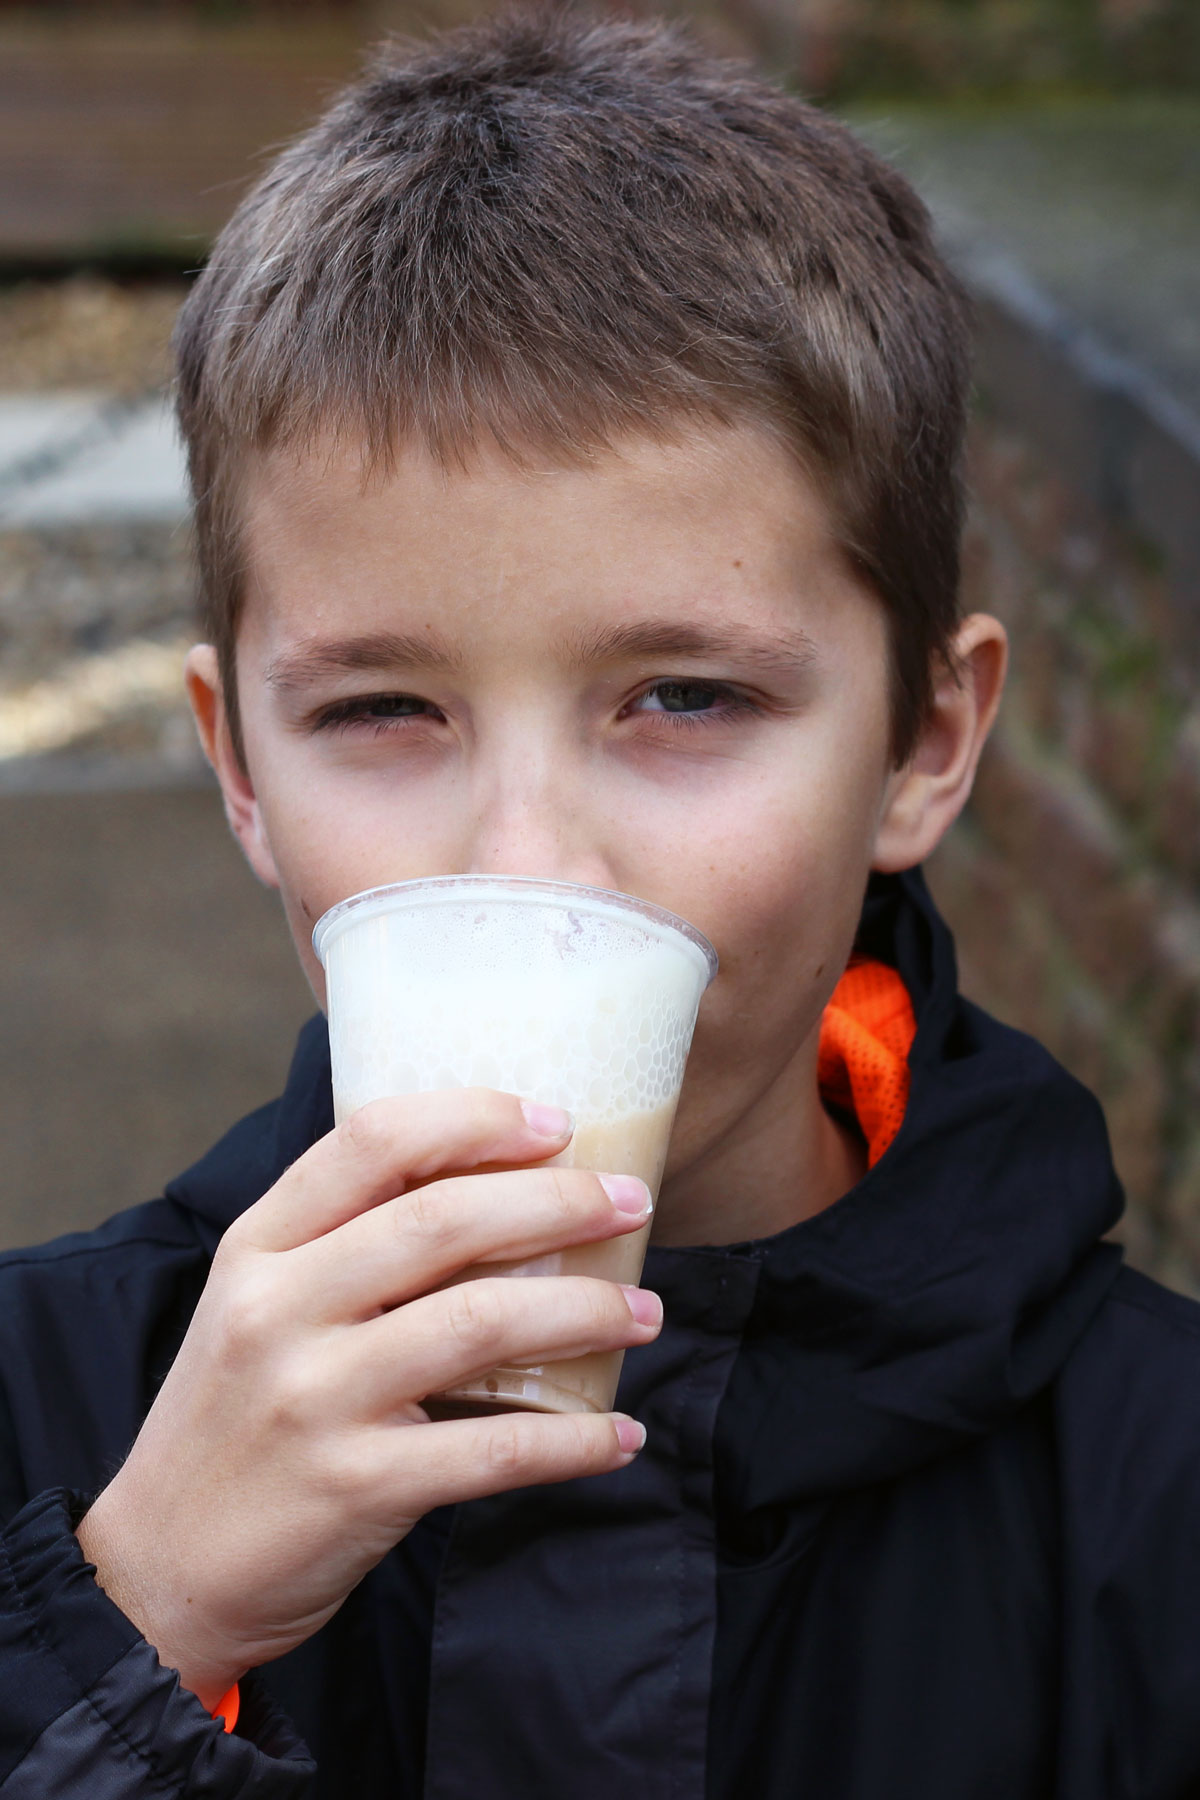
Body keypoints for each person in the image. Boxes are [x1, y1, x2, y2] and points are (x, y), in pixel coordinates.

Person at [2, 9, 1198, 1796]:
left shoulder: (1154, 1504)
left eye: (686, 699)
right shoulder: (44, 1418)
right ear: (238, 768)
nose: (528, 858)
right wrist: (126, 1646)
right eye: (381, 711)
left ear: (922, 746)